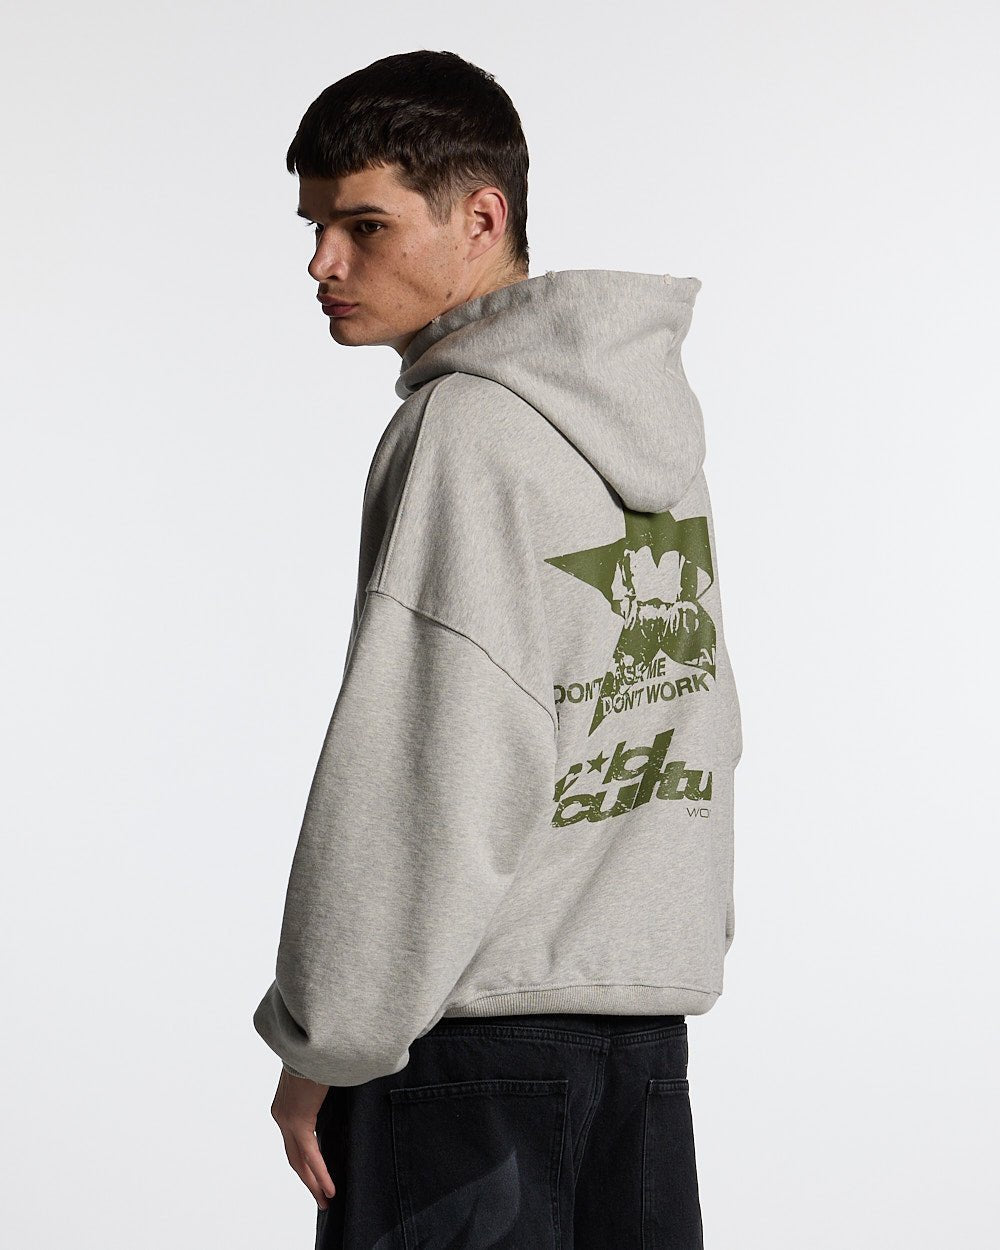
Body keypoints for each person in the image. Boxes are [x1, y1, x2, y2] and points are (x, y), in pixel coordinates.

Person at [252, 48, 743, 1250]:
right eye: (316, 228)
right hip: (639, 1050)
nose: (323, 263)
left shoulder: (463, 428)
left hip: (467, 1060)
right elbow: (693, 717)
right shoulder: (645, 435)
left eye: (363, 226)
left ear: (481, 217)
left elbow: (426, 766)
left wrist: (326, 1038)